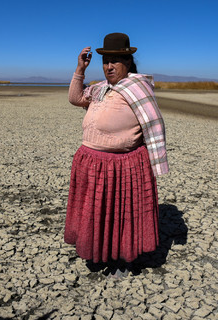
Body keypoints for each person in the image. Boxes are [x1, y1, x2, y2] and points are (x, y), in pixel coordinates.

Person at [64, 33, 169, 278]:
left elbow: (154, 123)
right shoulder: (101, 88)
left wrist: (152, 160)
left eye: (115, 61)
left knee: (121, 214)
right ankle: (98, 250)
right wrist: (80, 69)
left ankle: (123, 260)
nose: (109, 66)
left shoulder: (137, 89)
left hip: (122, 164)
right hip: (92, 162)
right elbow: (75, 99)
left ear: (128, 62)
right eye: (105, 61)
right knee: (97, 211)